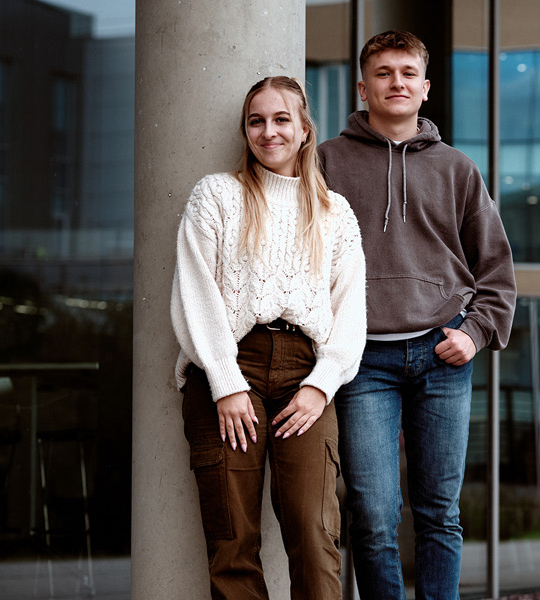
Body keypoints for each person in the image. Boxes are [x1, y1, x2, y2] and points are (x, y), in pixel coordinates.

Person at [317, 30, 516, 599]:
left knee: (439, 513)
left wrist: (475, 334)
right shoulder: (326, 162)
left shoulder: (458, 169)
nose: (396, 83)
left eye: (408, 73)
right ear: (363, 88)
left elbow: (496, 270)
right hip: (360, 361)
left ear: (425, 88)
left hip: (441, 356)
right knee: (373, 515)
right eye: (383, 73)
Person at [171, 75, 367, 600]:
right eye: (256, 121)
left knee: (314, 533)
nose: (268, 131)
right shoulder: (217, 195)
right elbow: (195, 292)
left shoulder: (335, 213)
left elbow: (351, 312)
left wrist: (322, 384)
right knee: (232, 542)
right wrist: (225, 382)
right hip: (229, 368)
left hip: (307, 375)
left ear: (305, 130)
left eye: (282, 119)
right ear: (245, 131)